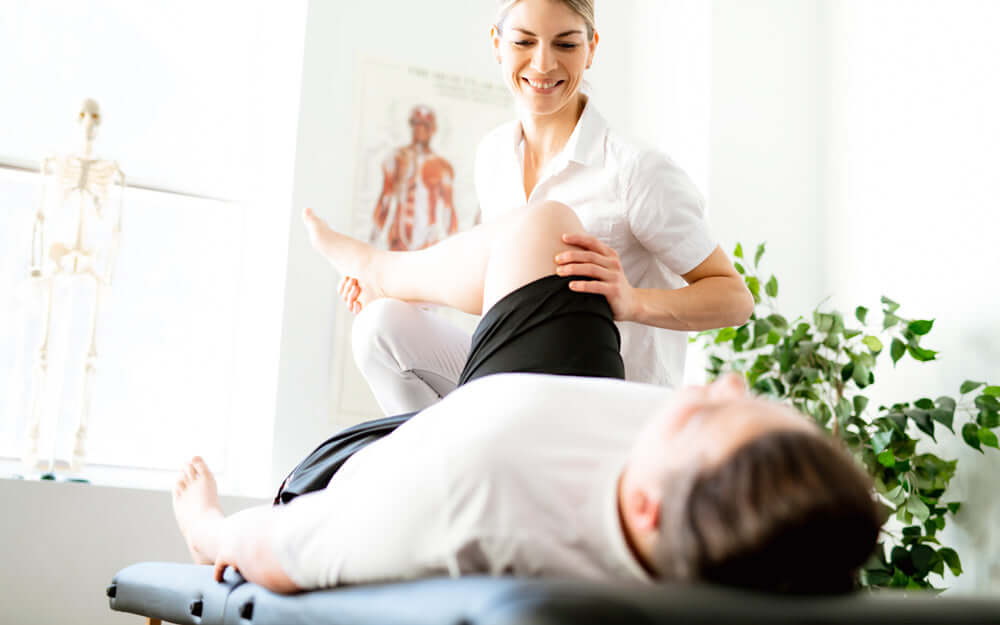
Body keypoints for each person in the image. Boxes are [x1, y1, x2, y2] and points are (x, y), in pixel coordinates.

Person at [171, 201, 881, 595]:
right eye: (752, 398)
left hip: (394, 458)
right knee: (550, 229)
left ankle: (377, 270)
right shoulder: (728, 507)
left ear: (645, 506)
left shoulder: (469, 495)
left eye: (707, 410)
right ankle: (379, 272)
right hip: (542, 396)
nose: (724, 385)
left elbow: (275, 550)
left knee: (392, 320)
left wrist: (207, 526)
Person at [341, 0, 754, 417]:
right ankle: (433, 460)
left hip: (609, 404)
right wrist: (404, 291)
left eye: (566, 45)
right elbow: (500, 291)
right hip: (516, 376)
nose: (543, 64)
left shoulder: (635, 171)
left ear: (591, 49)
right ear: (497, 44)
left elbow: (735, 299)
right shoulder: (494, 155)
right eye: (524, 41)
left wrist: (633, 302)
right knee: (379, 326)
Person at [369, 105, 458, 251]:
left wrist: (454, 246)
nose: (420, 129)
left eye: (425, 125)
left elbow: (448, 209)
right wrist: (372, 239)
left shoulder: (442, 167)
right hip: (399, 239)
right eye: (416, 124)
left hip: (428, 242)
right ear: (411, 126)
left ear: (432, 129)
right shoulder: (397, 158)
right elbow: (385, 199)